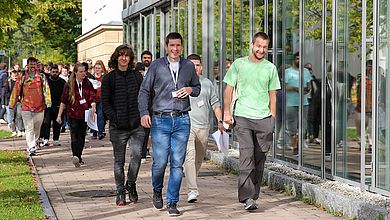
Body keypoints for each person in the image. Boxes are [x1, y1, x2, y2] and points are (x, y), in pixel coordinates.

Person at [139, 32, 201, 216]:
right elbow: (144, 91)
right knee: (159, 163)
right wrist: (144, 113)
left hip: (182, 119)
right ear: (166, 46)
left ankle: (172, 201)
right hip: (161, 119)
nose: (175, 49)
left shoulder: (188, 66)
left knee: (177, 163)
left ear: (182, 47)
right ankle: (157, 189)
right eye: (172, 45)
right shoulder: (157, 65)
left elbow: (197, 89)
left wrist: (190, 89)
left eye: (178, 46)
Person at [223, 32, 280, 210]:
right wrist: (226, 112)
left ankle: (253, 195)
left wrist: (272, 118)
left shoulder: (270, 68)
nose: (261, 50)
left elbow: (273, 95)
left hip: (264, 119)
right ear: (252, 45)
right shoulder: (239, 65)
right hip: (243, 117)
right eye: (259, 46)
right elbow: (228, 90)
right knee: (246, 157)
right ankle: (247, 197)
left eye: (265, 47)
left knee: (259, 158)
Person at [101, 45, 145, 206]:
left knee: (137, 155)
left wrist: (143, 115)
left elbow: (144, 96)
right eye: (121, 55)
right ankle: (120, 191)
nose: (124, 58)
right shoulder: (109, 78)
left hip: (136, 124)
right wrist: (114, 118)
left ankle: (131, 183)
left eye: (127, 56)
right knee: (119, 160)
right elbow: (105, 103)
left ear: (131, 58)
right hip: (118, 127)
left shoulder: (136, 76)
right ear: (116, 58)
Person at [184, 54, 224, 203]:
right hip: (186, 125)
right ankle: (192, 190)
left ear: (201, 67)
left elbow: (215, 103)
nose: (195, 68)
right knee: (190, 156)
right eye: (191, 65)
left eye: (198, 65)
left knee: (199, 159)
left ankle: (191, 179)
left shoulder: (207, 83)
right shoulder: (181, 82)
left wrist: (220, 121)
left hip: (204, 127)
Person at [9, 57, 52, 156]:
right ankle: (31, 146)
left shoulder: (41, 76)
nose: (32, 66)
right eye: (30, 64)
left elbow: (46, 89)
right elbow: (16, 90)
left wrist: (48, 102)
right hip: (26, 107)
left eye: (34, 64)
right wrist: (12, 103)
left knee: (37, 127)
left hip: (40, 107)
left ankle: (35, 141)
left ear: (37, 65)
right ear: (27, 65)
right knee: (29, 128)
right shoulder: (22, 76)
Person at [56, 63, 96, 167]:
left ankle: (79, 156)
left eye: (84, 71)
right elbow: (63, 101)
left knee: (81, 136)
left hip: (84, 114)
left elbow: (92, 98)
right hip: (72, 114)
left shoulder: (88, 83)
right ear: (76, 73)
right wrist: (59, 115)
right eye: (81, 72)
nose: (83, 74)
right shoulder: (69, 85)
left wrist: (93, 106)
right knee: (74, 136)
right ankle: (75, 156)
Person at [284, 52, 312, 154]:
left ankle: (299, 145)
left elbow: (309, 85)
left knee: (303, 125)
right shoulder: (288, 72)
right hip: (291, 103)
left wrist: (307, 89)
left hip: (304, 103)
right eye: (297, 59)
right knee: (292, 126)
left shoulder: (306, 72)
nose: (298, 61)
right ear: (294, 60)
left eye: (300, 59)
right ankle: (294, 146)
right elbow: (284, 86)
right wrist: (295, 88)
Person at [39, 65, 66, 146]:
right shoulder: (46, 81)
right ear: (50, 72)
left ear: (59, 72)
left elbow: (65, 94)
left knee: (57, 123)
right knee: (46, 123)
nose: (55, 73)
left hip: (58, 105)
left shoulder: (62, 82)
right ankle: (46, 138)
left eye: (56, 72)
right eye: (53, 72)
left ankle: (56, 139)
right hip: (48, 105)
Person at [136, 50, 153, 163]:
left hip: (150, 106)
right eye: (145, 57)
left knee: (147, 130)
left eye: (148, 58)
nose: (146, 59)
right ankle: (139, 151)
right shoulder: (136, 74)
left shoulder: (154, 71)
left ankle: (144, 151)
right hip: (138, 107)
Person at [305, 63, 321, 144]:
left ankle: (314, 136)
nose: (309, 71)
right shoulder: (301, 79)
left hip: (314, 102)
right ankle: (306, 136)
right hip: (305, 101)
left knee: (313, 119)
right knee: (306, 120)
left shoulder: (315, 81)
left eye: (310, 69)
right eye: (307, 69)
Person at [91, 60, 107, 140]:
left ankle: (100, 132)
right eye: (96, 68)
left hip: (101, 98)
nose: (97, 70)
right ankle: (94, 132)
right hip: (93, 99)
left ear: (102, 69)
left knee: (100, 115)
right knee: (93, 115)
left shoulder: (104, 78)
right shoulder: (91, 77)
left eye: (99, 68)